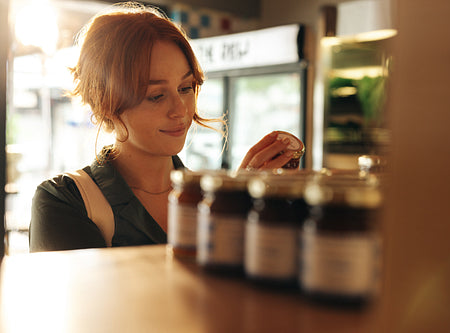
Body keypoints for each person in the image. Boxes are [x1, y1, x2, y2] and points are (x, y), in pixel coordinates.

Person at [29, 2, 296, 252]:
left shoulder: (209, 196)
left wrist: (239, 205)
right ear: (105, 101)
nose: (180, 110)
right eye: (156, 95)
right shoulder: (64, 201)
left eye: (185, 88)